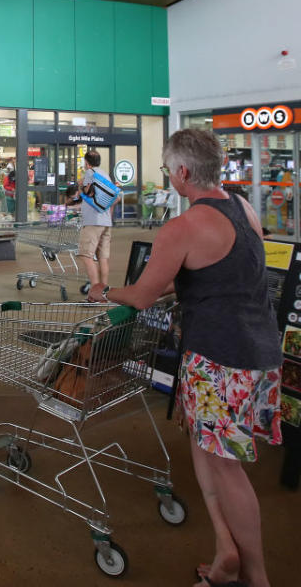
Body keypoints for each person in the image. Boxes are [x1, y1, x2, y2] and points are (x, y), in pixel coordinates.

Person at [87, 129, 281, 587]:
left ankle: (256, 576)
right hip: (259, 351)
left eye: (166, 169)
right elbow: (217, 271)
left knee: (226, 468)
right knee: (202, 443)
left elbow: (141, 295)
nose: (167, 176)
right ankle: (224, 549)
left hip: (219, 360)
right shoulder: (242, 207)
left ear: (183, 172)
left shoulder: (183, 227)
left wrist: (101, 291)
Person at [77, 149, 118, 288]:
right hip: (106, 222)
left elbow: (86, 192)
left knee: (86, 256)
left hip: (93, 222)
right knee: (103, 258)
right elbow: (116, 198)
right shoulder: (105, 175)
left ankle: (95, 291)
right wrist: (108, 216)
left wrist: (80, 185)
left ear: (87, 163)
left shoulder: (90, 173)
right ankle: (104, 289)